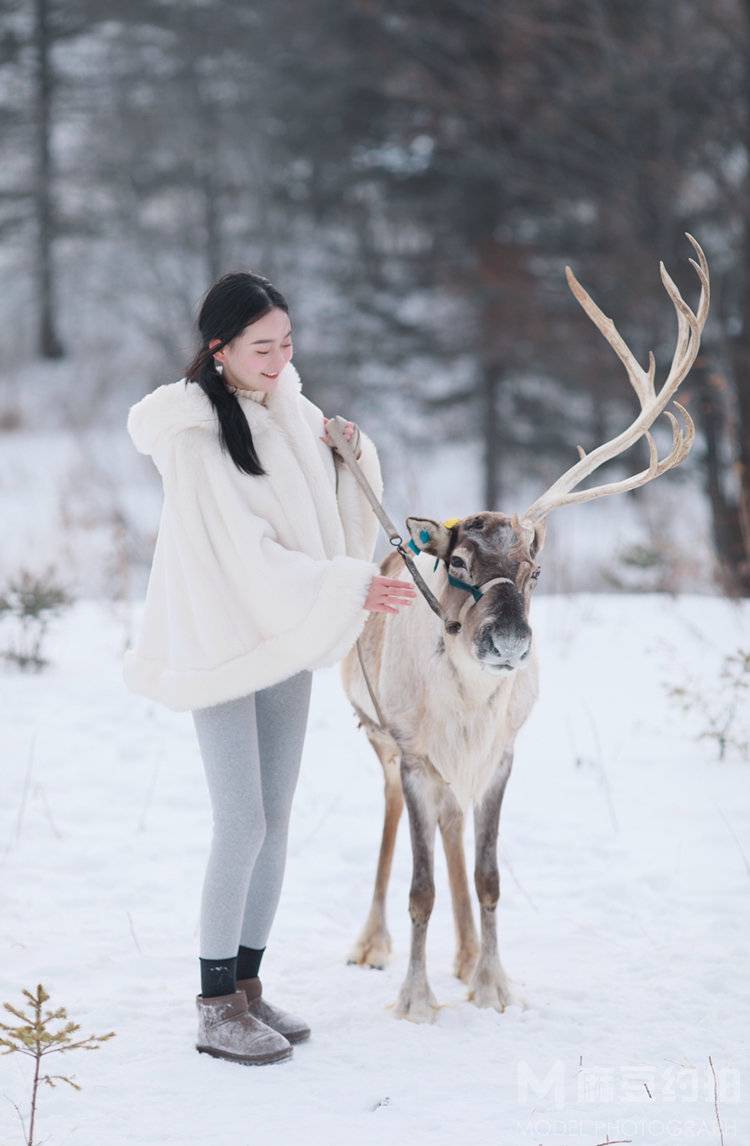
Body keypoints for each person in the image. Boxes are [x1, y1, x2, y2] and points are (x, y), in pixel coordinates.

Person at [122, 271, 416, 1066]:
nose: (280, 359)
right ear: (218, 349)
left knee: (276, 818)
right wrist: (352, 587)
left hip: (284, 632)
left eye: (287, 342)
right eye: (262, 347)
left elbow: (326, 516)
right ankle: (214, 1004)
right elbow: (243, 552)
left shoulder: (289, 405)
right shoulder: (193, 432)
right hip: (222, 638)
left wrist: (352, 456)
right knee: (241, 820)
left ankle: (247, 986)